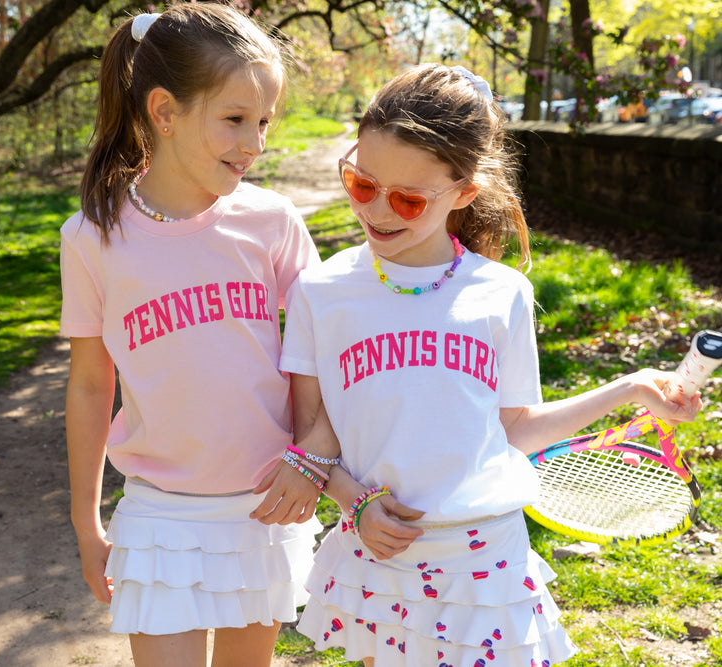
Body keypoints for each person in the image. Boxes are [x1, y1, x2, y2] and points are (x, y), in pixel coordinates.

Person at [277, 63, 703, 666]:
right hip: (381, 556)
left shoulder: (502, 293)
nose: (377, 211)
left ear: (465, 193)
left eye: (408, 198)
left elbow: (516, 429)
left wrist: (632, 388)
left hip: (486, 557)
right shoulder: (320, 291)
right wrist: (354, 501)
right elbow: (314, 436)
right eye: (362, 184)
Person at [60, 5, 329, 666]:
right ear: (164, 111)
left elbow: (325, 351)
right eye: (235, 120)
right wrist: (85, 520)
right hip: (162, 516)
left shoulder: (273, 221)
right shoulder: (92, 237)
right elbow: (92, 384)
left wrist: (316, 453)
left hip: (266, 507)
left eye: (263, 122)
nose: (255, 143)